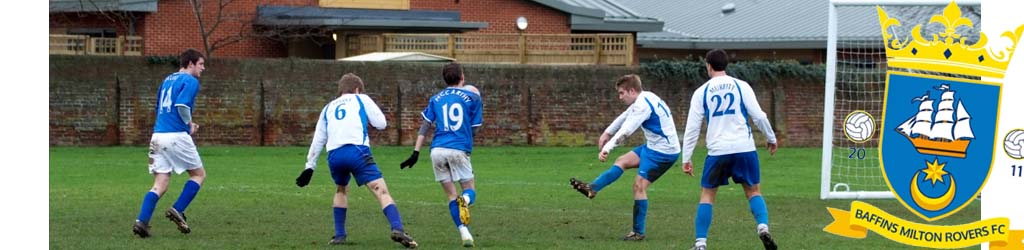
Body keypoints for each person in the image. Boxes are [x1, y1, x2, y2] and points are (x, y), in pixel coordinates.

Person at [294, 73, 418, 248]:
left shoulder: (328, 107)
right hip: (357, 151)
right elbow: (381, 123)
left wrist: (309, 167)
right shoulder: (361, 99)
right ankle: (397, 228)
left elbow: (318, 139)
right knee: (380, 190)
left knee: (341, 189)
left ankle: (339, 235)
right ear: (358, 90)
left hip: (335, 156)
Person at [680, 49, 778, 250]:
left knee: (708, 194)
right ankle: (762, 227)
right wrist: (771, 137)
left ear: (708, 65)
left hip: (718, 150)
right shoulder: (741, 86)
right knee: (753, 191)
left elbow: (692, 128)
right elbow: (759, 116)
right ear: (726, 65)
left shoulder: (702, 92)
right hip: (744, 147)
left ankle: (700, 244)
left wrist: (686, 158)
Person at [569, 74, 681, 241]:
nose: (620, 97)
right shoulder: (645, 97)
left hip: (663, 153)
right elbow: (624, 117)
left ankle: (638, 232)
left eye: (622, 93)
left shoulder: (643, 105)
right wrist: (607, 133)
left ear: (632, 90)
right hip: (653, 147)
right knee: (622, 161)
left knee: (639, 186)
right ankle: (592, 188)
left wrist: (607, 147)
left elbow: (627, 130)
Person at [399, 62, 483, 247]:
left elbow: (425, 125)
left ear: (445, 79)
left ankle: (465, 234)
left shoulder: (436, 98)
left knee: (451, 196)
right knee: (470, 191)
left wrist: (415, 152)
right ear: (462, 77)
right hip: (458, 149)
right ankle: (466, 200)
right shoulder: (473, 97)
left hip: (436, 150)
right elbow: (475, 128)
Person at [132, 48, 207, 238]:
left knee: (160, 182)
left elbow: (159, 108)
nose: (203, 68)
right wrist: (189, 125)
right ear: (190, 64)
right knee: (198, 175)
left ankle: (142, 221)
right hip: (176, 135)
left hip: (157, 136)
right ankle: (178, 209)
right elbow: (181, 105)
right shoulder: (190, 80)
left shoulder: (166, 80)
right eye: (201, 64)